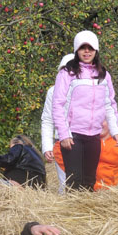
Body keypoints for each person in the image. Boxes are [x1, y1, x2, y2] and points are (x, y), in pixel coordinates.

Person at [52, 31, 118, 190]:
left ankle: (86, 213)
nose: (87, 51)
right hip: (73, 135)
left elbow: (110, 104)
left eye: (90, 48)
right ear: (77, 50)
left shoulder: (103, 75)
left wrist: (115, 129)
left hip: (94, 135)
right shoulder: (67, 73)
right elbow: (58, 105)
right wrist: (63, 134)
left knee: (90, 180)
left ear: (96, 50)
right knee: (74, 181)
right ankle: (71, 213)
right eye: (82, 48)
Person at [53, 121, 118, 190]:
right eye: (95, 120)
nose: (98, 123)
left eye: (103, 120)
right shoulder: (78, 140)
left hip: (110, 192)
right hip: (84, 191)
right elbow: (58, 149)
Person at [41, 53, 76, 193]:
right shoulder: (52, 91)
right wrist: (47, 146)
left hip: (84, 139)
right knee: (65, 183)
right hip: (61, 143)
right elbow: (48, 120)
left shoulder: (89, 88)